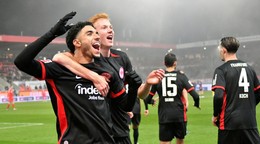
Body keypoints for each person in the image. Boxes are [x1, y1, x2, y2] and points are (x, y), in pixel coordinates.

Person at [14, 12, 141, 144]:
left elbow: (125, 106)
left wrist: (133, 88)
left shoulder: (108, 72)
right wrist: (52, 34)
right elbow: (21, 62)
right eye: (90, 33)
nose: (97, 37)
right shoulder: (59, 70)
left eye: (96, 33)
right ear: (77, 42)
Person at [52, 13, 164, 144]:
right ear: (94, 34)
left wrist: (147, 84)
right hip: (98, 132)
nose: (110, 30)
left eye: (111, 27)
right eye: (104, 27)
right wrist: (93, 76)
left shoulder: (121, 58)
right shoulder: (84, 57)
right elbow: (59, 57)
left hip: (121, 130)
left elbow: (139, 93)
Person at [211, 37, 260, 144]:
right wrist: (247, 105)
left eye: (220, 48)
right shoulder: (249, 68)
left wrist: (215, 115)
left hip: (229, 123)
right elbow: (258, 92)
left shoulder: (221, 70)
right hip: (249, 122)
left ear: (224, 50)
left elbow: (218, 95)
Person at [146, 53, 200, 144]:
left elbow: (147, 99)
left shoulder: (159, 77)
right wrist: (196, 104)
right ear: (175, 63)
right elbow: (196, 96)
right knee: (179, 141)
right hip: (179, 115)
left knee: (164, 142)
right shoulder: (181, 76)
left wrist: (151, 101)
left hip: (164, 116)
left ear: (164, 63)